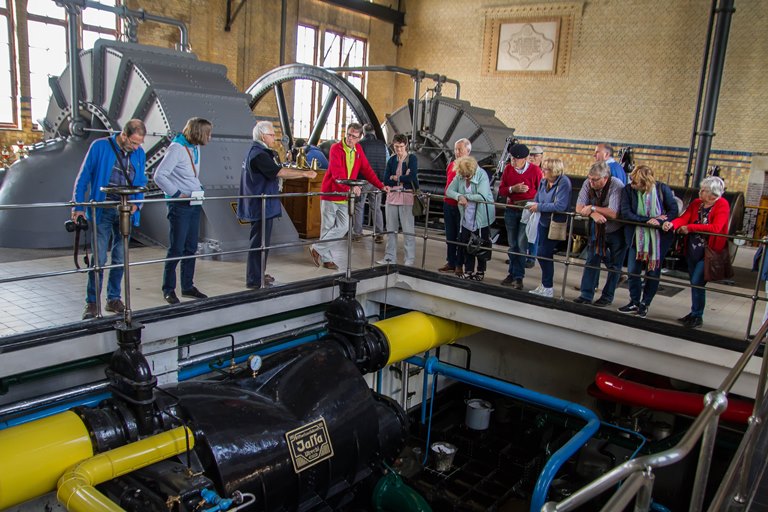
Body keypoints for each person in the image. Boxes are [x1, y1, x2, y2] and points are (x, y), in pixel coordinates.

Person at [72, 119, 148, 320]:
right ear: (123, 135)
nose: (136, 147)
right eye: (133, 142)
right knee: (99, 259)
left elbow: (141, 181)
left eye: (139, 143)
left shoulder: (139, 153)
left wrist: (137, 204)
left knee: (120, 258)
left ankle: (113, 299)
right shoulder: (100, 147)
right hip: (103, 210)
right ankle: (92, 303)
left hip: (126, 211)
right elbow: (83, 178)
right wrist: (78, 207)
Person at [238, 121, 317, 288]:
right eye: (271, 135)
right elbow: (279, 172)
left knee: (262, 242)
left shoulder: (258, 152)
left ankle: (258, 273)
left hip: (261, 204)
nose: (274, 138)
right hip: (260, 205)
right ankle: (254, 280)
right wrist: (305, 174)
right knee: (259, 243)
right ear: (262, 136)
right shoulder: (259, 155)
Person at [309, 122, 389, 270]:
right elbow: (337, 174)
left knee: (344, 226)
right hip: (330, 193)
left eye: (354, 136)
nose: (350, 138)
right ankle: (327, 259)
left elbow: (367, 169)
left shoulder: (358, 149)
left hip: (344, 196)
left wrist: (380, 185)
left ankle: (317, 249)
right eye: (349, 135)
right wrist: (351, 188)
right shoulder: (336, 148)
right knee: (327, 227)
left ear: (359, 138)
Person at [154, 117, 212, 305]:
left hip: (194, 202)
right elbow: (159, 176)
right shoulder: (177, 149)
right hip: (180, 205)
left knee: (191, 247)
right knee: (176, 248)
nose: (209, 137)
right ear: (198, 133)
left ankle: (187, 286)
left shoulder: (195, 147)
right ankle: (168, 289)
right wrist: (177, 194)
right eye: (207, 134)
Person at [663, 176, 730, 328]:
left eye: (704, 190)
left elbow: (716, 228)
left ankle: (697, 315)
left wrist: (690, 228)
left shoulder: (722, 204)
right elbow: (685, 218)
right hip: (693, 249)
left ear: (713, 194)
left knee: (697, 282)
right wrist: (672, 224)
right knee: (694, 282)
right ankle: (694, 313)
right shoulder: (696, 203)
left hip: (709, 252)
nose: (700, 192)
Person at [618, 166, 679, 318]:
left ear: (646, 183)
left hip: (659, 239)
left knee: (653, 272)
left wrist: (661, 221)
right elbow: (626, 213)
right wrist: (648, 220)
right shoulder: (628, 190)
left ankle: (645, 303)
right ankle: (634, 301)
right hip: (636, 237)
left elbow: (673, 210)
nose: (633, 185)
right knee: (633, 271)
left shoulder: (662, 189)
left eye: (636, 182)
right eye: (632, 181)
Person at [574, 161, 627, 306]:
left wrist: (592, 208)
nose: (591, 182)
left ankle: (607, 297)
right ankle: (586, 295)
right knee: (592, 260)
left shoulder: (616, 185)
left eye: (595, 180)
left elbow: (613, 213)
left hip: (616, 231)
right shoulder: (588, 183)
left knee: (615, 266)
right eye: (590, 178)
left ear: (605, 178)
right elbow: (579, 207)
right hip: (597, 229)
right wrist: (593, 214)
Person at [526, 158, 572, 297]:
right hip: (543, 222)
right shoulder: (543, 181)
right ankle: (545, 285)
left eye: (545, 169)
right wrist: (533, 205)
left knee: (543, 253)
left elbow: (560, 205)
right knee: (543, 254)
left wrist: (539, 207)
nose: (542, 171)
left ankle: (548, 287)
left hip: (555, 224)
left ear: (554, 170)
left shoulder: (564, 182)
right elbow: (537, 198)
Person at [498, 143, 542, 289]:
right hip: (511, 209)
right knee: (512, 244)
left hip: (527, 210)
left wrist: (533, 201)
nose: (513, 161)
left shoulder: (535, 171)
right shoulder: (508, 169)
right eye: (512, 158)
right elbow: (502, 190)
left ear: (524, 159)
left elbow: (540, 191)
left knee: (522, 245)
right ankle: (512, 274)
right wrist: (513, 189)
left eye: (516, 159)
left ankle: (518, 276)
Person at [446, 156, 494, 281]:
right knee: (467, 244)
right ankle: (469, 270)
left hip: (481, 217)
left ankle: (480, 271)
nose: (466, 178)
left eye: (468, 176)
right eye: (463, 176)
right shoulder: (460, 175)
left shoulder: (482, 175)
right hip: (466, 216)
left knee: (481, 244)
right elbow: (449, 191)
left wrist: (465, 197)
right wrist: (459, 196)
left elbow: (482, 196)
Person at [377, 134, 418, 266]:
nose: (399, 150)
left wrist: (396, 178)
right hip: (392, 198)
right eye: (396, 147)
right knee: (391, 229)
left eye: (401, 146)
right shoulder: (391, 160)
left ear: (406, 145)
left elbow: (412, 177)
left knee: (408, 230)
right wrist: (401, 179)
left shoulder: (412, 159)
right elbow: (386, 179)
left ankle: (409, 259)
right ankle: (389, 257)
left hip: (406, 198)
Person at [437, 138, 471, 273]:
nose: (457, 152)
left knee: (461, 235)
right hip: (448, 204)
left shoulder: (470, 167)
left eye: (460, 149)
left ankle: (459, 264)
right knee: (450, 235)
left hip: (461, 207)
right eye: (456, 149)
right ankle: (451, 261)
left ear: (468, 151)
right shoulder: (451, 165)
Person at [353, 123, 387, 243]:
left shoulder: (360, 145)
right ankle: (379, 233)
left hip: (363, 180)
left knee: (359, 206)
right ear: (374, 132)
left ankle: (357, 233)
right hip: (378, 180)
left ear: (363, 132)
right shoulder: (382, 145)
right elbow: (386, 160)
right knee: (376, 207)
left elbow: (356, 163)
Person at [525, 146, 545, 268]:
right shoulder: (526, 170)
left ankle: (531, 257)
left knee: (533, 232)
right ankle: (520, 256)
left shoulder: (541, 172)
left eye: (535, 156)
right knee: (524, 232)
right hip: (525, 204)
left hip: (535, 205)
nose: (532, 158)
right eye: (531, 155)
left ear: (541, 157)